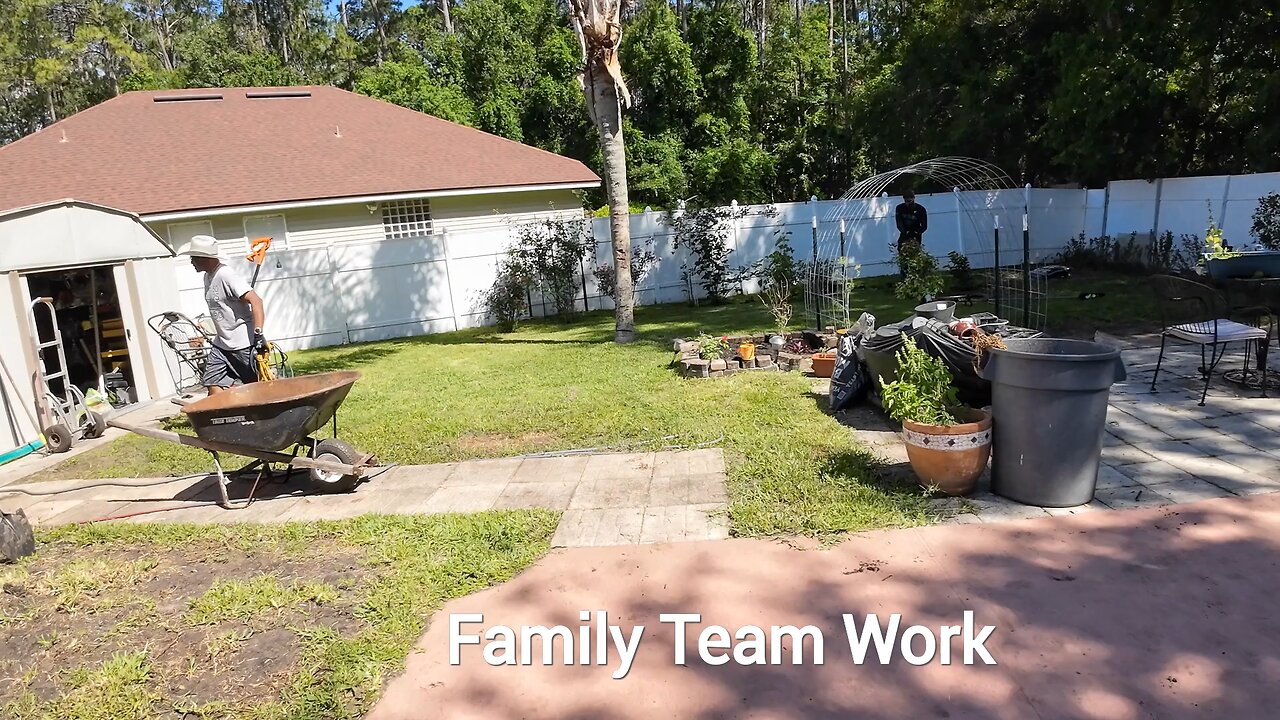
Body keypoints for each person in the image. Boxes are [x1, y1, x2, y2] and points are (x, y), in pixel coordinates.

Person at [178, 235, 267, 395]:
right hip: (222, 344)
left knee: (256, 387)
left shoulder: (226, 275)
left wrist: (258, 334)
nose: (191, 262)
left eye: (193, 258)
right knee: (212, 381)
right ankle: (222, 416)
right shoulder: (208, 276)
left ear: (205, 258)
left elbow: (256, 301)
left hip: (242, 344)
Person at [894, 190, 928, 275]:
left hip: (916, 236)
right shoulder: (900, 208)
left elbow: (924, 225)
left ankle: (915, 274)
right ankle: (904, 275)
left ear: (913, 199)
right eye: (905, 201)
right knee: (903, 255)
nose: (907, 203)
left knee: (914, 255)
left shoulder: (921, 209)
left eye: (909, 201)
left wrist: (917, 232)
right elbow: (899, 223)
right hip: (904, 235)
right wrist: (905, 232)